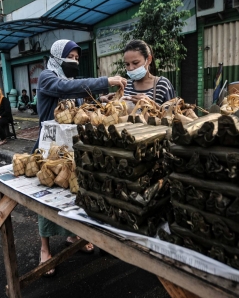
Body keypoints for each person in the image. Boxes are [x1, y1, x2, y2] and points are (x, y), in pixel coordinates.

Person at [34, 39, 127, 276]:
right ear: (57, 57)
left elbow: (80, 102)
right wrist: (106, 81)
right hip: (49, 149)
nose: (74, 62)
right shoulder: (48, 77)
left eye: (77, 58)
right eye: (71, 57)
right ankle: (44, 249)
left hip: (71, 147)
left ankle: (72, 233)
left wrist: (103, 100)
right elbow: (64, 90)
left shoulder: (72, 82)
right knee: (48, 198)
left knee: (73, 192)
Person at [101, 39, 175, 105]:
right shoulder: (126, 86)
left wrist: (151, 105)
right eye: (127, 64)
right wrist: (110, 102)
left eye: (135, 63)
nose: (131, 68)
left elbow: (173, 115)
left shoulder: (162, 85)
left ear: (149, 59)